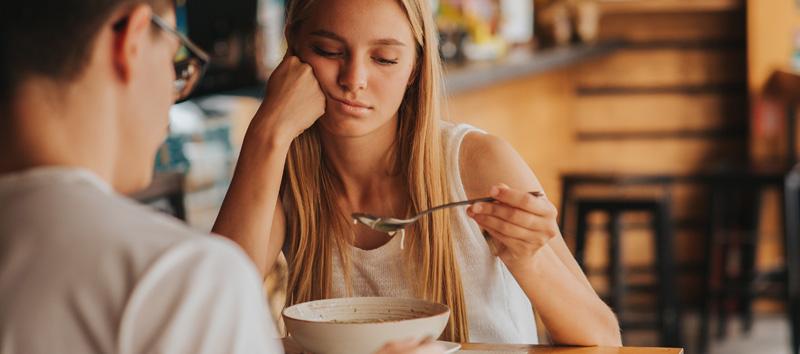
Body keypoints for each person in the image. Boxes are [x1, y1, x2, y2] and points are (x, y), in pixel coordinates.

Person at [0, 0, 442, 353]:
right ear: (133, 41)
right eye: (177, 58)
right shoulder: (176, 276)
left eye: (384, 57)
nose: (354, 80)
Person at [214, 0, 622, 346]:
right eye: (329, 50)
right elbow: (211, 315)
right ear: (293, 56)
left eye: (384, 58)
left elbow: (604, 340)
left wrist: (530, 259)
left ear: (413, 68)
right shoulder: (284, 175)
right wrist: (268, 131)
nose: (353, 79)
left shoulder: (477, 164)